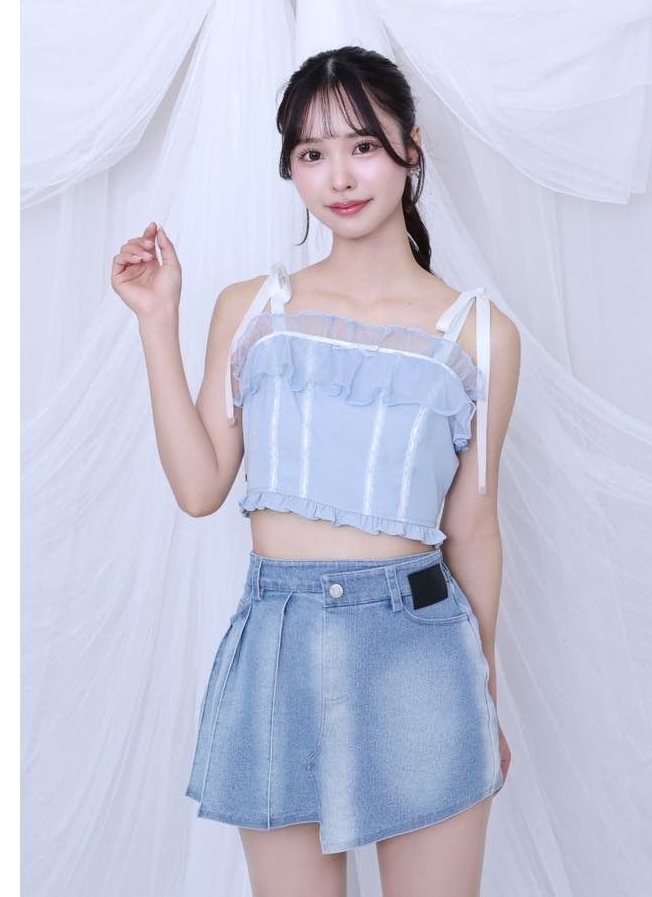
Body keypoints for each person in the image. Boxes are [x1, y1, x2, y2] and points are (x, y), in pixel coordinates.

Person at [111, 45, 520, 897]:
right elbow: (199, 489)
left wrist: (483, 689)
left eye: (363, 145)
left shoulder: (480, 333)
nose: (339, 176)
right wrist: (157, 320)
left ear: (410, 146)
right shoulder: (252, 310)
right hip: (279, 643)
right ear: (291, 167)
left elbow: (474, 531)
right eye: (312, 152)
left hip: (420, 653)